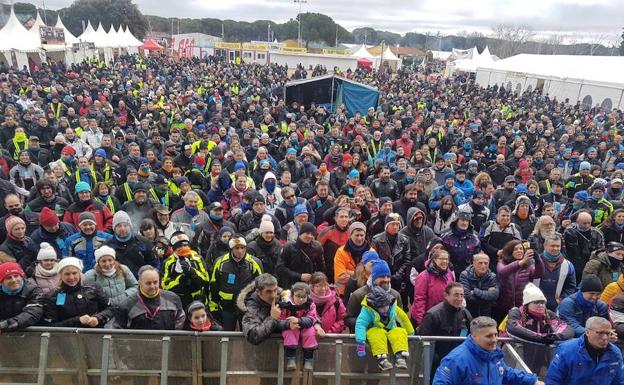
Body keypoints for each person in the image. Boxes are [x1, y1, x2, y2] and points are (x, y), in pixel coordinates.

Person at [432, 316, 543, 385]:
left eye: (495, 334)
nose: (495, 339)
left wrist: (532, 381)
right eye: (489, 336)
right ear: (474, 336)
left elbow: (505, 373)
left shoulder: (493, 354)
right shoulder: (456, 359)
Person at [504, 283, 575, 372]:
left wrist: (555, 336)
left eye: (542, 302)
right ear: (527, 304)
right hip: (518, 355)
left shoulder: (548, 314)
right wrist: (541, 337)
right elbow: (513, 329)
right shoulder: (517, 312)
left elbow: (566, 328)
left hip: (540, 356)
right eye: (536, 302)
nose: (541, 305)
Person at [546, 316, 624, 385]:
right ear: (587, 332)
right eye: (600, 333)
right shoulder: (567, 350)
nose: (605, 338)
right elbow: (553, 380)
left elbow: (619, 381)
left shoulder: (615, 353)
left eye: (608, 333)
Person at [355, 286, 414, 371]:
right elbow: (360, 324)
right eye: (382, 307)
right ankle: (382, 359)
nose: (386, 308)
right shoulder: (368, 310)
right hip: (377, 332)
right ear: (375, 306)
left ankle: (400, 356)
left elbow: (404, 318)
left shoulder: (393, 307)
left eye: (387, 305)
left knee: (399, 331)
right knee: (376, 332)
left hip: (392, 331)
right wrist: (361, 343)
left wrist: (411, 333)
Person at [210, 235, 263, 330]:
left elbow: (261, 285)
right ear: (231, 248)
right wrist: (213, 307)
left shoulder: (255, 263)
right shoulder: (220, 262)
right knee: (226, 336)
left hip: (246, 307)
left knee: (247, 335)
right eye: (237, 248)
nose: (240, 251)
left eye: (242, 248)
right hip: (226, 307)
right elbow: (214, 285)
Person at [43, 257, 113, 327]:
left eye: (74, 273)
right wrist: (77, 321)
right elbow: (50, 325)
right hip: (66, 336)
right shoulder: (53, 296)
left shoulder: (93, 289)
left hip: (94, 335)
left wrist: (98, 318)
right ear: (61, 275)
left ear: (80, 273)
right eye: (67, 274)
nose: (71, 277)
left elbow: (110, 309)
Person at [419, 282, 472, 374]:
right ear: (446, 295)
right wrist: (435, 359)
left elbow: (472, 335)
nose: (459, 298)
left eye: (462, 295)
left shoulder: (465, 313)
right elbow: (423, 340)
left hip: (459, 361)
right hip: (438, 364)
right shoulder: (433, 315)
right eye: (456, 295)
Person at [113, 265, 186, 330]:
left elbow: (180, 324)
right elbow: (118, 333)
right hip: (137, 344)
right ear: (140, 283)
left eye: (155, 282)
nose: (152, 286)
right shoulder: (126, 305)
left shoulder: (173, 299)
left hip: (167, 343)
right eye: (148, 283)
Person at [494, 240, 544, 322]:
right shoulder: (502, 262)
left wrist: (538, 260)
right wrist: (521, 262)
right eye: (516, 249)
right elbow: (502, 272)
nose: (519, 251)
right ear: (510, 251)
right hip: (504, 304)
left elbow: (538, 274)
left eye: (521, 249)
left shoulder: (528, 264)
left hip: (522, 304)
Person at [346, 260, 403, 331]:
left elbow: (401, 319)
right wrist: (368, 324)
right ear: (373, 278)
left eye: (388, 276)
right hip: (365, 338)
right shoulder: (358, 295)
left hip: (389, 338)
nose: (386, 279)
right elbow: (348, 319)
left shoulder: (395, 295)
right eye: (382, 276)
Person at [279, 282, 324, 371]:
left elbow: (311, 318)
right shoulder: (284, 304)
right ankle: (291, 359)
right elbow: (279, 319)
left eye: (304, 297)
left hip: (305, 325)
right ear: (292, 295)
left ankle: (308, 360)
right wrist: (288, 324)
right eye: (298, 296)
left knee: (310, 332)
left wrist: (299, 320)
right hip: (290, 325)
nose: (301, 299)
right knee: (290, 332)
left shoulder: (310, 305)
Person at [161, 232, 210, 308]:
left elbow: (206, 279)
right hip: (179, 302)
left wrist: (192, 272)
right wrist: (180, 280)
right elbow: (164, 286)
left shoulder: (197, 258)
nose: (183, 248)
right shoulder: (168, 263)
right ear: (173, 248)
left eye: (185, 245)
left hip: (198, 300)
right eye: (180, 246)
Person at [239, 273, 293, 345]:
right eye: (268, 291)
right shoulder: (251, 307)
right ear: (258, 292)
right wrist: (272, 318)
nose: (273, 295)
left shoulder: (284, 296)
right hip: (259, 352)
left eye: (275, 290)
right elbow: (253, 336)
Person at [371, 212, 412, 304]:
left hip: (399, 277)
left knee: (400, 303)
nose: (395, 227)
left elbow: (407, 260)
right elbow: (374, 260)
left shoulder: (405, 240)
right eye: (392, 224)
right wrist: (384, 274)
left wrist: (399, 274)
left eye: (397, 224)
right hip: (382, 276)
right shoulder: (377, 240)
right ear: (387, 226)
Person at [411, 249, 456, 326]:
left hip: (444, 316)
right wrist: (420, 322)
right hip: (428, 317)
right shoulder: (423, 277)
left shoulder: (449, 274)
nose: (445, 261)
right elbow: (420, 300)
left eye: (446, 259)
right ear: (434, 260)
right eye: (441, 259)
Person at [106, 211, 156, 277]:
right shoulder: (107, 247)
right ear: (114, 229)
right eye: (119, 226)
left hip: (141, 281)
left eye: (125, 225)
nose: (122, 228)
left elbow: (154, 263)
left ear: (130, 226)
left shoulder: (144, 243)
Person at [276, 222, 325, 289]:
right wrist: (299, 276)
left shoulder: (317, 247)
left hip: (310, 285)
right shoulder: (288, 247)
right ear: (300, 233)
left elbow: (321, 267)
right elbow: (280, 268)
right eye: (307, 233)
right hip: (291, 285)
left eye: (312, 234)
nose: (310, 236)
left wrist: (314, 278)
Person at [535, 235, 576, 312]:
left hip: (556, 308)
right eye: (552, 246)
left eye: (558, 246)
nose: (555, 248)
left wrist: (562, 299)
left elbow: (571, 287)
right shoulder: (534, 262)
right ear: (545, 246)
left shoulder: (568, 265)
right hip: (534, 305)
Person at [0, 262, 44, 332]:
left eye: (16, 276)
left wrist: (11, 323)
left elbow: (34, 311)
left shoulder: (34, 290)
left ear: (21, 276)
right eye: (9, 278)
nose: (14, 280)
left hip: (28, 334)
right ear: (1, 281)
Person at [563, 210, 605, 282]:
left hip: (590, 264)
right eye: (584, 223)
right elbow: (565, 249)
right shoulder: (569, 231)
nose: (587, 225)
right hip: (573, 263)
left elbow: (601, 251)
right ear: (577, 222)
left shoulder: (597, 233)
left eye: (589, 223)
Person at [334, 222, 371, 296]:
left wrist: (350, 273)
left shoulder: (371, 252)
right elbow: (340, 278)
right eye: (357, 235)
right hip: (344, 293)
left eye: (362, 235)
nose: (359, 238)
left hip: (367, 293)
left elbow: (374, 277)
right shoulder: (341, 252)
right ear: (350, 235)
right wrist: (362, 274)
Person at [460, 253, 499, 318]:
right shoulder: (465, 275)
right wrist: (487, 296)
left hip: (486, 313)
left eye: (486, 263)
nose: (483, 266)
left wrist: (475, 291)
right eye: (480, 263)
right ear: (473, 263)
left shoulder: (492, 276)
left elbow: (494, 296)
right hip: (470, 312)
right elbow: (467, 295)